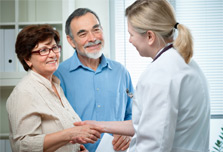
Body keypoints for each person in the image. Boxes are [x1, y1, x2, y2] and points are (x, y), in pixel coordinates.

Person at [75, 0, 211, 152]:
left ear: (150, 37)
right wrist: (100, 126)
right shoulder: (185, 62)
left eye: (131, 34)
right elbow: (147, 122)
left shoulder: (160, 73)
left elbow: (153, 145)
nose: (130, 40)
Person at [6, 24, 103, 152]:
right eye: (43, 50)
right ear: (27, 59)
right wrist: (72, 134)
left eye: (54, 48)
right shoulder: (24, 93)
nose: (52, 55)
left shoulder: (56, 85)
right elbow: (23, 146)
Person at [53, 8, 134, 152]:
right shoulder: (58, 76)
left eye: (96, 30)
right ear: (71, 41)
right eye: (83, 34)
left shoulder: (121, 72)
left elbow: (133, 114)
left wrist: (127, 134)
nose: (92, 38)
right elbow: (54, 126)